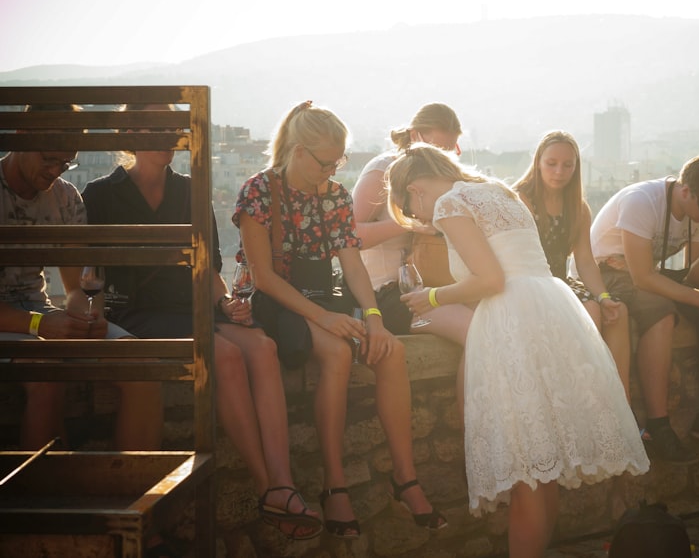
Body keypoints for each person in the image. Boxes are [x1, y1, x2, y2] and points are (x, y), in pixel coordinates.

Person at [387, 144, 649, 558]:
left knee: (528, 466)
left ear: (415, 189)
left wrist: (432, 297)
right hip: (551, 308)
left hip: (512, 321)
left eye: (410, 207)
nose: (420, 218)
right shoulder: (498, 191)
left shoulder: (450, 204)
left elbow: (490, 280)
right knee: (544, 467)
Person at [82, 104, 322, 540]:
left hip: (194, 309)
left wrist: (228, 305)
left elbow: (209, 270)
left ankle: (283, 481)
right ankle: (268, 486)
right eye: (159, 127)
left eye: (175, 127)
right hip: (139, 313)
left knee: (263, 346)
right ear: (129, 132)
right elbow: (91, 275)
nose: (171, 136)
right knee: (227, 356)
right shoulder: (100, 194)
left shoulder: (191, 189)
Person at [233, 101, 445, 540]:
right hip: (277, 302)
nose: (332, 170)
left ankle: (405, 480)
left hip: (322, 299)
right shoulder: (258, 192)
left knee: (391, 351)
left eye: (339, 161)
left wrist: (373, 318)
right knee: (335, 353)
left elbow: (352, 266)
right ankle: (335, 484)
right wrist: (324, 318)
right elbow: (264, 278)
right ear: (296, 150)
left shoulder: (331, 194)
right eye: (325, 161)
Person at [0, 103, 161, 453]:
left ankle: (132, 494)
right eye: (48, 159)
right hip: (19, 320)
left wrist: (86, 313)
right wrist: (37, 323)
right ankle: (42, 497)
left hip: (36, 312)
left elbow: (77, 285)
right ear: (20, 135)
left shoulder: (65, 197)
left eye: (65, 162)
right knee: (47, 371)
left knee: (144, 364)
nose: (55, 171)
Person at [590, 154, 699, 463]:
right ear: (686, 191)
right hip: (606, 271)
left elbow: (693, 277)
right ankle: (658, 427)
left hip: (646, 274)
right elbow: (641, 277)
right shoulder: (642, 201)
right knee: (661, 312)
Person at [352, 104, 473, 410]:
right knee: (475, 331)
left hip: (431, 284)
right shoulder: (384, 169)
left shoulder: (438, 175)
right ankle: (472, 427)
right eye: (438, 148)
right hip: (388, 293)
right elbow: (348, 235)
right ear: (417, 136)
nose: (443, 158)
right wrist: (410, 223)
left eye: (450, 151)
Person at [512, 131, 632, 398]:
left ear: (576, 167)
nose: (559, 171)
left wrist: (603, 297)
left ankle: (619, 399)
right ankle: (581, 394)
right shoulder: (521, 201)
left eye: (568, 165)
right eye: (551, 163)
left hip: (559, 282)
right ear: (538, 163)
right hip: (525, 283)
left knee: (616, 311)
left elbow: (585, 261)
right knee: (588, 311)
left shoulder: (578, 208)